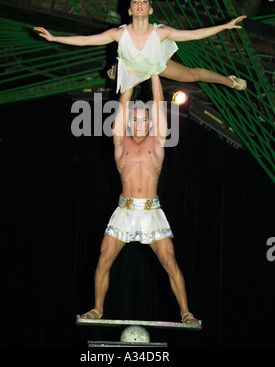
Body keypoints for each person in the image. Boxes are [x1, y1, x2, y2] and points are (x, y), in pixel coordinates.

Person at [79, 73, 199, 324]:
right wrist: (130, 74)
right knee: (103, 258)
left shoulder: (157, 141)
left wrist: (154, 71)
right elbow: (123, 105)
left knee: (169, 260)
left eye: (143, 119)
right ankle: (98, 309)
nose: (139, 123)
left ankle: (186, 312)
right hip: (125, 210)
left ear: (150, 122)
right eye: (134, 119)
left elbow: (157, 102)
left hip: (151, 212)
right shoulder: (120, 141)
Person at [34, 0, 247, 93]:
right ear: (129, 10)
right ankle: (116, 69)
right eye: (135, 1)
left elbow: (194, 34)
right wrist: (54, 38)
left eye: (143, 1)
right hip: (132, 67)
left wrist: (225, 26)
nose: (139, 3)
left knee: (192, 75)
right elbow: (86, 40)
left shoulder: (161, 31)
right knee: (125, 98)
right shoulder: (118, 33)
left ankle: (230, 80)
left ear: (150, 9)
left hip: (155, 63)